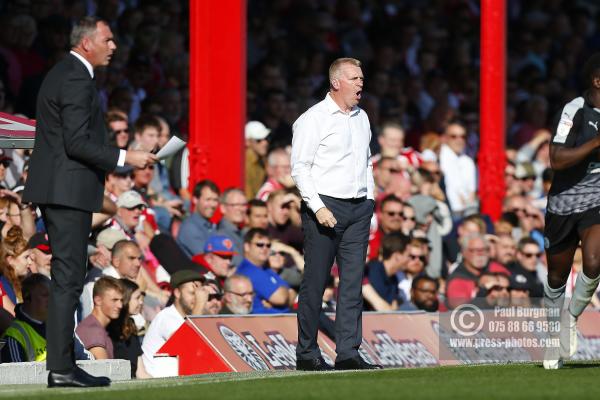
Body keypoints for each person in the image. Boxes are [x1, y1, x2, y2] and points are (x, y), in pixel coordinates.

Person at [21, 17, 156, 388]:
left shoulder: (65, 73)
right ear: (86, 43)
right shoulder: (76, 78)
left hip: (62, 189)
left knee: (67, 277)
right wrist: (126, 157)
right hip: (67, 191)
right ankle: (62, 367)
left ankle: (63, 365)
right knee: (67, 280)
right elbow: (77, 143)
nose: (114, 46)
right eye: (108, 40)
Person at [291, 57, 381, 371]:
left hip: (358, 207)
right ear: (336, 82)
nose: (361, 84)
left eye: (361, 78)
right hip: (326, 206)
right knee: (315, 282)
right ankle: (306, 353)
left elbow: (366, 161)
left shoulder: (362, 117)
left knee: (352, 284)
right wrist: (317, 207)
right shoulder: (312, 119)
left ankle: (348, 353)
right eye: (355, 78)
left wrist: (370, 199)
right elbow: (299, 168)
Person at [542, 53, 600, 369]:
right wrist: (595, 144)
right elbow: (556, 158)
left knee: (594, 261)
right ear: (597, 81)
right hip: (564, 203)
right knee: (556, 276)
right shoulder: (574, 110)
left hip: (597, 201)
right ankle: (553, 335)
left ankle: (571, 318)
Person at [141, 270, 205, 378]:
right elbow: (186, 347)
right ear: (177, 293)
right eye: (193, 293)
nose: (197, 298)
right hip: (157, 384)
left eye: (199, 294)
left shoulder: (186, 318)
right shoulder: (167, 318)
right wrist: (200, 305)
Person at [236, 228, 293, 314]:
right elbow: (281, 298)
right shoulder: (248, 270)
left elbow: (292, 294)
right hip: (262, 324)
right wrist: (286, 294)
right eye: (260, 245)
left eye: (268, 245)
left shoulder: (266, 270)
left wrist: (284, 296)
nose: (265, 248)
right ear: (247, 247)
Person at [1, 274, 50, 362]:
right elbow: (16, 373)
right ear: (28, 298)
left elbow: (80, 358)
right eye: (45, 295)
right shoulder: (14, 335)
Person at [107, 279, 149, 378]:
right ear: (125, 299)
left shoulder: (130, 325)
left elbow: (141, 372)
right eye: (137, 298)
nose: (141, 302)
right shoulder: (109, 329)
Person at [76, 276, 123, 360]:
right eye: (114, 300)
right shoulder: (93, 331)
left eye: (121, 300)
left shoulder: (96, 327)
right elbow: (103, 371)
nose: (120, 305)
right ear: (98, 300)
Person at [177, 180, 220, 258]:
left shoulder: (211, 226)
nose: (212, 204)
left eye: (215, 200)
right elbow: (209, 259)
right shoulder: (189, 228)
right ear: (195, 200)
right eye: (208, 199)